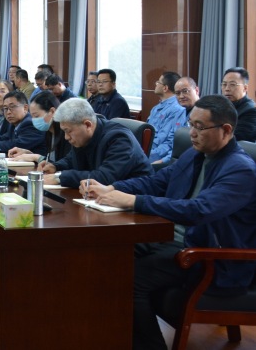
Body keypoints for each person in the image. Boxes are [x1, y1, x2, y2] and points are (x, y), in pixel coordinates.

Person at [83, 95, 256, 350]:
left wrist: (134, 202)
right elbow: (155, 182)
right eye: (190, 124)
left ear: (226, 130)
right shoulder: (194, 155)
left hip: (207, 256)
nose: (192, 133)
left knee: (128, 279)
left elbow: (199, 211)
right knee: (106, 257)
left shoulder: (240, 170)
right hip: (170, 239)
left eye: (200, 127)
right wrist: (112, 188)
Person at [39, 98, 151, 187]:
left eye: (68, 131)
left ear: (87, 125)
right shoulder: (83, 136)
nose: (66, 137)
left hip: (133, 199)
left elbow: (105, 178)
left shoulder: (120, 139)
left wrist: (60, 177)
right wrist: (56, 166)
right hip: (101, 198)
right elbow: (72, 159)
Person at [8, 90, 71, 163]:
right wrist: (29, 154)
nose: (33, 120)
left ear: (52, 111)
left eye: (36, 116)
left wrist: (36, 157)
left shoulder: (66, 134)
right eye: (32, 116)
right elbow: (48, 159)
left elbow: (62, 165)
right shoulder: (48, 132)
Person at [146, 71, 187, 165]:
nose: (156, 84)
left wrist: (147, 155)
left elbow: (170, 143)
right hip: (145, 149)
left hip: (155, 154)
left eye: (158, 82)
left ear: (165, 88)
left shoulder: (177, 109)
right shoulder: (156, 108)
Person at [221, 67, 256, 142]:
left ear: (245, 88)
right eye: (224, 84)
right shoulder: (220, 105)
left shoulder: (252, 110)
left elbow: (238, 137)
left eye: (232, 84)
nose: (227, 89)